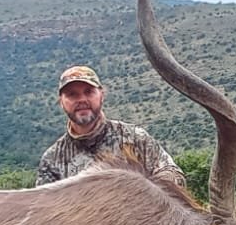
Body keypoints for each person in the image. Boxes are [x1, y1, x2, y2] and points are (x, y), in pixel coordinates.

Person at [35, 65, 187, 188]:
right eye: (72, 94)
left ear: (102, 94)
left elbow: (173, 174)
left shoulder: (134, 137)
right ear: (61, 102)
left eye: (89, 92)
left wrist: (146, 192)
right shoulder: (52, 159)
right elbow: (44, 210)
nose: (82, 99)